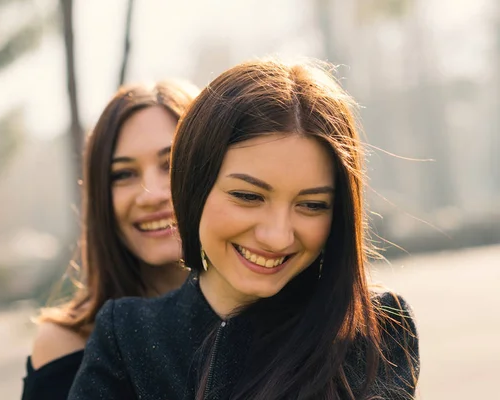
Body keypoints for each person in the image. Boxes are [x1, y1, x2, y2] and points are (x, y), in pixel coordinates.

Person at [68, 59, 420, 400]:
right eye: (248, 196)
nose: (277, 236)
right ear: (193, 185)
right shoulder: (128, 335)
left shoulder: (376, 327)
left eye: (312, 205)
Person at [20, 80, 200, 400]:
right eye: (123, 174)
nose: (151, 194)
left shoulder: (272, 318)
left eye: (171, 164)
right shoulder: (66, 344)